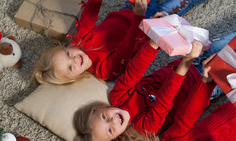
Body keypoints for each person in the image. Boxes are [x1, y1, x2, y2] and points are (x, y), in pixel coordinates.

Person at [73, 15, 236, 141]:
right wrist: (187, 62)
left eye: (104, 117)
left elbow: (135, 69)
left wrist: (155, 41)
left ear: (101, 107)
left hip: (189, 60)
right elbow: (164, 101)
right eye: (111, 130)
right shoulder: (142, 129)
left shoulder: (118, 96)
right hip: (205, 81)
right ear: (116, 139)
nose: (112, 120)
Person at [30, 0, 207, 85]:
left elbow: (88, 18)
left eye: (68, 54)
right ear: (74, 78)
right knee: (176, 3)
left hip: (128, 11)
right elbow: (127, 47)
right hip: (150, 25)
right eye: (70, 67)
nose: (74, 59)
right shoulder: (104, 71)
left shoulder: (78, 43)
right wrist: (139, 15)